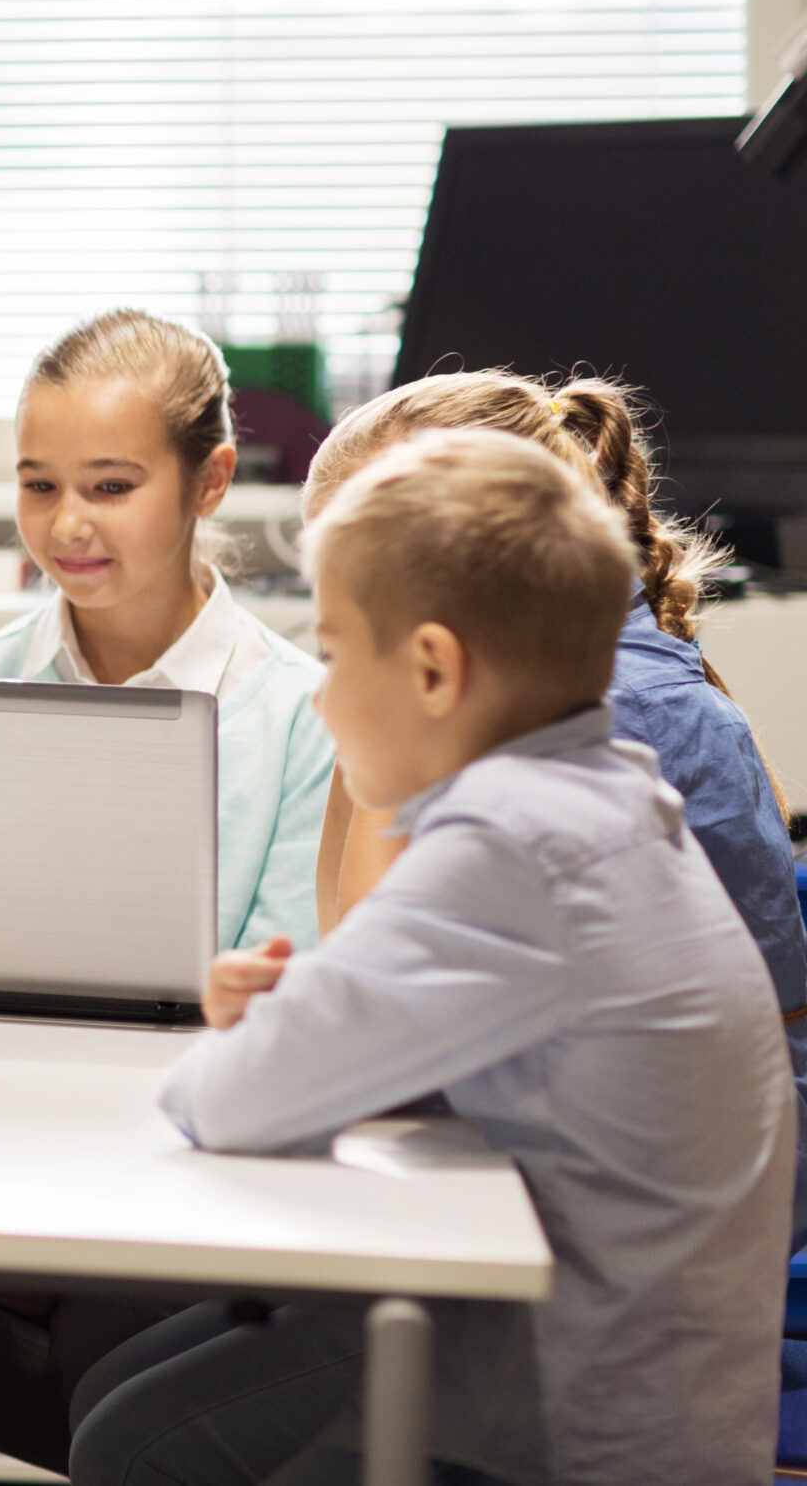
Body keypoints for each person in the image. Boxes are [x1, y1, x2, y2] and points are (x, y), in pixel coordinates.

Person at [77, 429, 790, 1485]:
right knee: (120, 1389)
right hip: (642, 1368)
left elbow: (219, 1104)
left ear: (429, 668)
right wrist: (309, 1006)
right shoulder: (608, 791)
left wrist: (272, 1030)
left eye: (329, 653)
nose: (318, 698)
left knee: (131, 1443)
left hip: (578, 1426)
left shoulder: (506, 844)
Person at [0, 309, 334, 1473]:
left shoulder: (301, 714)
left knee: (130, 1330)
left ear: (209, 482)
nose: (67, 525)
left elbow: (276, 997)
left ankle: (145, 1444)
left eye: (110, 486)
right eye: (37, 484)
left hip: (180, 1165)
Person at [303, 370, 807, 1245]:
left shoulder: (602, 719)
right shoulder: (537, 680)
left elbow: (371, 1022)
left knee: (138, 1384)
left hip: (653, 1213)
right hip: (579, 1160)